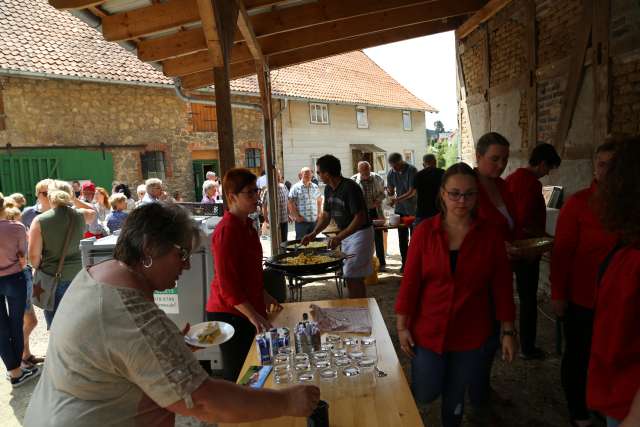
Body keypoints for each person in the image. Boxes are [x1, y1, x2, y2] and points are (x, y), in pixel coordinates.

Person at [24, 202, 319, 426]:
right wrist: (287, 401)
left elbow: (116, 353)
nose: (186, 265)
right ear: (150, 248)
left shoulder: (96, 274)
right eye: (182, 254)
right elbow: (204, 402)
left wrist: (168, 349)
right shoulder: (132, 314)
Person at [395, 163, 517, 427]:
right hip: (429, 328)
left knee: (455, 397)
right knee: (425, 392)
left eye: (469, 194)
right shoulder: (425, 232)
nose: (462, 200)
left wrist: (507, 330)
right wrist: (402, 324)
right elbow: (411, 281)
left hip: (471, 331)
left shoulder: (490, 236)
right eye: (455, 193)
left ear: (477, 196)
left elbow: (502, 286)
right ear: (442, 194)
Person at [551, 142, 618, 427]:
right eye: (602, 164)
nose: (607, 170)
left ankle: (605, 404)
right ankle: (578, 411)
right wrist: (558, 294)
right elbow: (562, 254)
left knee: (611, 357)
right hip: (584, 299)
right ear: (594, 166)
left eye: (614, 165)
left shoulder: (629, 205)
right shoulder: (579, 204)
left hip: (620, 301)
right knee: (578, 356)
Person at [206, 169, 283, 381]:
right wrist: (253, 315)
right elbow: (228, 284)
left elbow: (249, 271)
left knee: (257, 367)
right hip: (230, 313)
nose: (256, 197)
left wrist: (264, 294)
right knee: (241, 373)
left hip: (246, 308)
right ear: (232, 197)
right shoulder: (227, 230)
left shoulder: (247, 225)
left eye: (256, 191)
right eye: (249, 193)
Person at [587, 136, 640, 427]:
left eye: (613, 169)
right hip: (617, 389)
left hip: (628, 398)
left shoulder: (633, 259)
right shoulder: (627, 246)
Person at [470, 131, 517, 409]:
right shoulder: (468, 187)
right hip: (477, 275)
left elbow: (509, 224)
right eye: (495, 159)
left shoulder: (504, 186)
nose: (500, 165)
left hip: (500, 270)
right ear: (478, 157)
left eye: (505, 160)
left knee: (493, 331)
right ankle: (476, 393)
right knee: (480, 335)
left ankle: (482, 387)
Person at [506, 143, 561, 360]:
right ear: (542, 163)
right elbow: (525, 220)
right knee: (528, 299)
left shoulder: (512, 177)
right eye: (549, 168)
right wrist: (545, 238)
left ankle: (507, 337)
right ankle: (528, 347)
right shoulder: (530, 184)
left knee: (509, 294)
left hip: (511, 246)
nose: (548, 173)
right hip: (526, 249)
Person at [302, 155, 374, 298]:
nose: (318, 175)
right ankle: (358, 305)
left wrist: (339, 237)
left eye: (318, 172)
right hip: (347, 235)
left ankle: (359, 306)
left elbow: (360, 218)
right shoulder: (329, 189)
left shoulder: (350, 187)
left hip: (361, 233)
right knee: (351, 274)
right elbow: (326, 215)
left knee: (353, 273)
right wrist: (314, 233)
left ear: (327, 174)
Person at [28, 180, 96, 328]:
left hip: (53, 277)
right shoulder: (80, 216)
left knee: (58, 327)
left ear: (50, 196)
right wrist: (74, 199)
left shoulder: (40, 221)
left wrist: (38, 267)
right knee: (79, 323)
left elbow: (33, 257)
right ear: (69, 195)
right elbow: (92, 211)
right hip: (79, 275)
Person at [0, 192, 39, 387]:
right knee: (16, 324)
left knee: (1, 328)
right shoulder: (16, 227)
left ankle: (14, 371)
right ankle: (17, 369)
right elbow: (23, 257)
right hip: (14, 277)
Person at [351, 161, 387, 271]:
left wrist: (378, 200)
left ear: (370, 168)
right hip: (361, 213)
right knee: (362, 238)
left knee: (378, 237)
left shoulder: (377, 178)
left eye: (367, 170)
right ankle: (363, 264)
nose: (366, 173)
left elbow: (383, 193)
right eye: (363, 171)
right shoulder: (353, 181)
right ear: (359, 170)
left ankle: (381, 263)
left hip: (375, 211)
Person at [387, 152, 418, 271]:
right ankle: (405, 263)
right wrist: (389, 192)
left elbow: (412, 192)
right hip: (400, 210)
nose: (394, 169)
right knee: (402, 237)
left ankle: (414, 264)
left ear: (402, 161)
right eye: (392, 167)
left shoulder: (412, 170)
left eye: (396, 166)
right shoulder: (391, 172)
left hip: (413, 209)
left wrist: (396, 199)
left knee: (414, 237)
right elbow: (390, 189)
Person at [288, 167, 322, 240]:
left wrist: (319, 214)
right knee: (301, 242)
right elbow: (290, 203)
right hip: (302, 222)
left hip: (314, 221)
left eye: (310, 174)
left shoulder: (315, 187)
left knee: (314, 243)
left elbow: (319, 200)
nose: (308, 176)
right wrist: (296, 217)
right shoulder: (295, 187)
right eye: (306, 174)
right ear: (301, 175)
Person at [412, 153, 445, 226]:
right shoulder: (443, 173)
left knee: (421, 235)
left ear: (423, 164)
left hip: (422, 213)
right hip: (439, 211)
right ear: (435, 162)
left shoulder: (418, 175)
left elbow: (413, 193)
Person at [261, 172, 290, 244]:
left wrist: (289, 214)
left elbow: (287, 202)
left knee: (284, 240)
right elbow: (264, 206)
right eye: (277, 176)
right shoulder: (267, 190)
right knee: (275, 241)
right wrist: (266, 219)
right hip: (273, 220)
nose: (279, 177)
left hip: (284, 219)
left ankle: (283, 253)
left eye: (279, 175)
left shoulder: (284, 187)